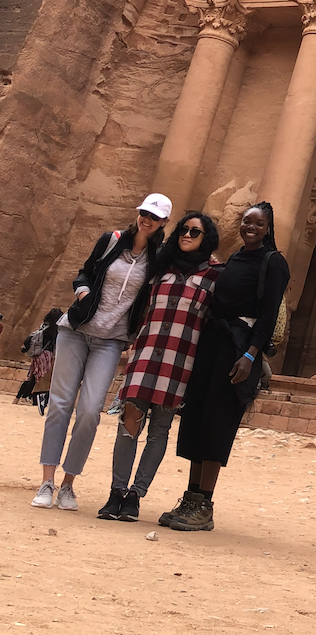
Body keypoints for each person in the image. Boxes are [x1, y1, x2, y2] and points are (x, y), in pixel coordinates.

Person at [31, 193, 172, 511]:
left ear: (163, 222)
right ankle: (47, 482)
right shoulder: (113, 240)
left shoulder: (158, 259)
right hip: (76, 331)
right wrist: (83, 292)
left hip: (111, 340)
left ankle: (68, 484)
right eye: (144, 213)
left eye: (154, 216)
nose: (147, 219)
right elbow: (84, 272)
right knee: (60, 405)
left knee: (91, 410)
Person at [163, 201, 288, 531]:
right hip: (212, 343)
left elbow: (268, 315)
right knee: (197, 418)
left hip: (238, 348)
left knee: (218, 422)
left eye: (258, 223)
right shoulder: (235, 258)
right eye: (247, 221)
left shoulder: (273, 262)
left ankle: (204, 504)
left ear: (268, 228)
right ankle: (190, 499)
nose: (251, 227)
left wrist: (250, 356)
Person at [98, 212, 221, 523]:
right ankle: (116, 492)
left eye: (196, 232)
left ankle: (135, 495)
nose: (187, 235)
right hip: (146, 355)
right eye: (184, 230)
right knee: (129, 424)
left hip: (181, 361)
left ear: (206, 238)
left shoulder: (214, 275)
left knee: (159, 431)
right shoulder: (160, 267)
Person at [17, 308, 63, 412]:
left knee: (32, 376)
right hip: (46, 354)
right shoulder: (53, 329)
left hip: (37, 354)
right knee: (41, 377)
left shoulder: (43, 326)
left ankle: (19, 397)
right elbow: (56, 342)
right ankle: (35, 399)